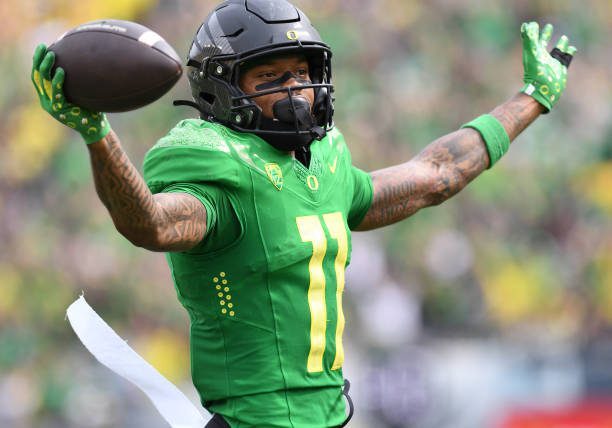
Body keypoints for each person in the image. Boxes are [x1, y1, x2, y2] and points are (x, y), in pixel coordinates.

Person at [31, 0, 576, 426]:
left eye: (303, 72)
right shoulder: (214, 164)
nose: (297, 90)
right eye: (270, 79)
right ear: (221, 91)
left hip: (332, 416)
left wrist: (532, 97)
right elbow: (150, 222)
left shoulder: (327, 162)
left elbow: (436, 175)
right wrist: (97, 133)